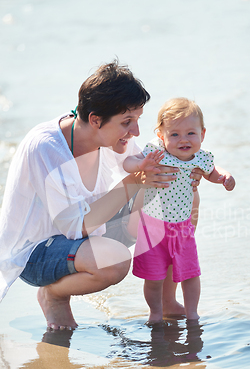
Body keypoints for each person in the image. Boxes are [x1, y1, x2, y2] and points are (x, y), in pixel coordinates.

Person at [0, 62, 202, 331]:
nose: (135, 132)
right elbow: (75, 227)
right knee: (115, 261)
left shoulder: (112, 136)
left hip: (88, 232)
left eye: (137, 120)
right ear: (95, 119)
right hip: (37, 253)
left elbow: (147, 165)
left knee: (176, 199)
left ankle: (167, 299)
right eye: (127, 122)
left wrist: (188, 171)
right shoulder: (47, 148)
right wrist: (133, 181)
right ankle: (53, 295)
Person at [123, 97, 235, 323]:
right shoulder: (156, 153)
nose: (183, 139)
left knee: (189, 271)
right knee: (154, 275)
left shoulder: (201, 158)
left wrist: (224, 177)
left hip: (182, 226)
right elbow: (128, 163)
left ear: (202, 134)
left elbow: (212, 171)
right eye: (174, 134)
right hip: (153, 225)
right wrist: (141, 165)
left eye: (190, 133)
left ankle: (192, 312)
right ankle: (155, 312)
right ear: (161, 136)